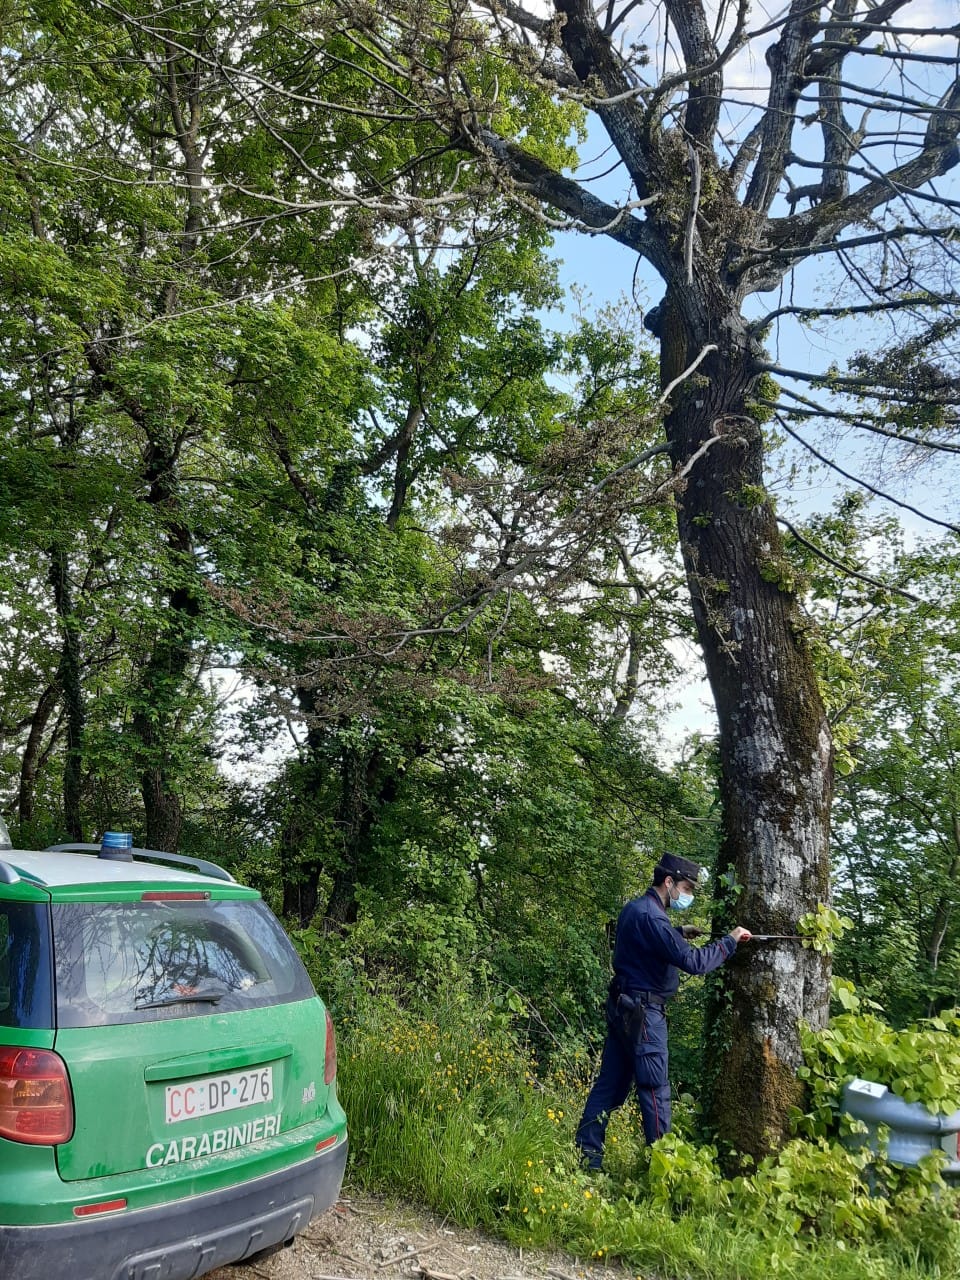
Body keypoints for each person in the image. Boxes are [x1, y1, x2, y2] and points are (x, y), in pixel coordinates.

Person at [575, 853, 751, 1168]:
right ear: (668, 882)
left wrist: (679, 932)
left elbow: (644, 945)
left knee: (609, 1087)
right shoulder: (654, 919)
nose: (689, 896)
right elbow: (695, 963)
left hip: (622, 1010)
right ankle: (663, 1170)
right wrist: (730, 941)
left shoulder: (635, 909)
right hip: (644, 1016)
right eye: (687, 888)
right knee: (655, 1090)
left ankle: (587, 1160)